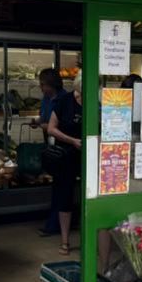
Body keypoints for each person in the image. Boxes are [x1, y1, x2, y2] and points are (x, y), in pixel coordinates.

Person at [47, 71, 82, 255]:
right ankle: (65, 241)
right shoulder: (64, 102)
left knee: (88, 198)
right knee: (65, 197)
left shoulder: (96, 102)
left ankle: (88, 238)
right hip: (66, 155)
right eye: (79, 92)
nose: (81, 97)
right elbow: (52, 129)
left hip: (88, 157)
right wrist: (72, 141)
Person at [31, 68, 67, 236]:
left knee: (60, 186)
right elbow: (44, 117)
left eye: (43, 84)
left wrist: (47, 126)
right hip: (50, 147)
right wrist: (37, 121)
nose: (40, 87)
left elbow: (62, 125)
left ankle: (54, 225)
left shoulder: (64, 100)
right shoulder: (46, 99)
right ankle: (56, 222)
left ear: (51, 84)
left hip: (62, 148)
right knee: (57, 186)